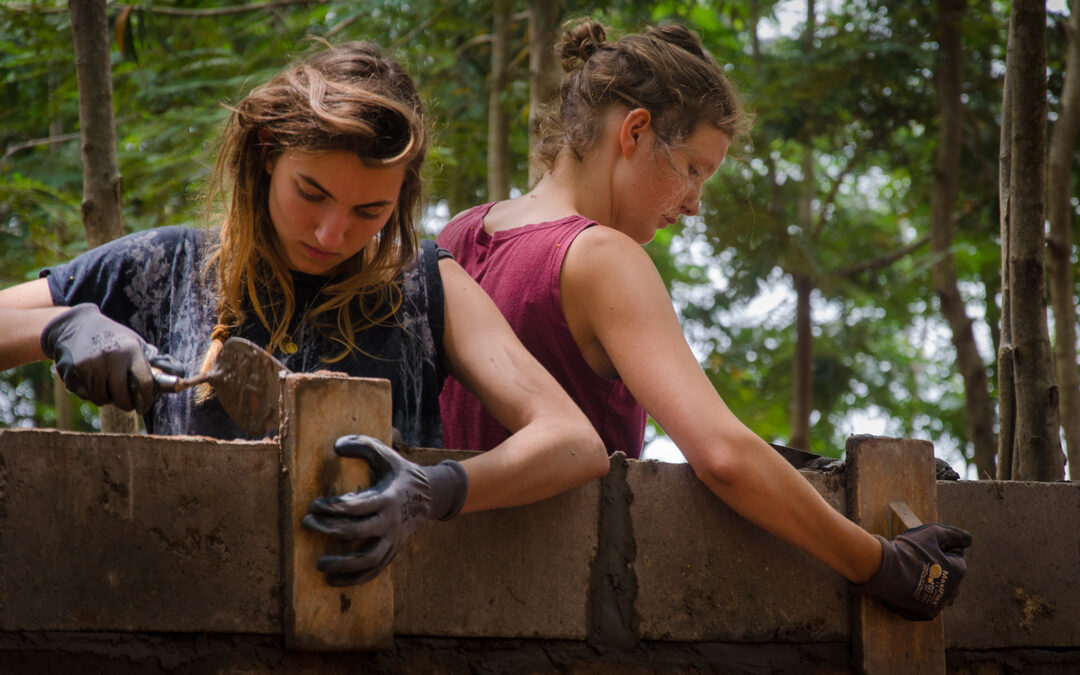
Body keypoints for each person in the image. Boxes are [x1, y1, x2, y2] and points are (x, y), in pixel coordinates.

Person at [0, 40, 607, 586]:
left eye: (369, 211)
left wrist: (435, 489)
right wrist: (62, 325)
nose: (330, 231)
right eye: (311, 193)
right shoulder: (166, 264)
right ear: (267, 153)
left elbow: (575, 442)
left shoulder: (425, 285)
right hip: (190, 599)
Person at [437, 19, 971, 621]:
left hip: (448, 588)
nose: (693, 204)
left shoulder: (460, 232)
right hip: (558, 604)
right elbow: (721, 457)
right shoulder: (601, 257)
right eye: (693, 170)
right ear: (635, 131)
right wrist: (883, 564)